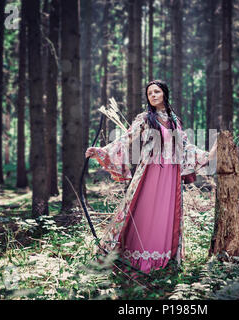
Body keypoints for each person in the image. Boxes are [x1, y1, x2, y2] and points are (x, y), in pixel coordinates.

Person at [85, 79, 217, 274]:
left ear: (164, 93)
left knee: (166, 213)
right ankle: (135, 257)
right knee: (145, 211)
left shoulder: (175, 120)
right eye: (149, 93)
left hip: (171, 175)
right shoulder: (145, 118)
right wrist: (102, 151)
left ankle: (163, 258)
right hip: (150, 172)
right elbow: (125, 138)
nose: (153, 95)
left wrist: (209, 155)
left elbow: (186, 147)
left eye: (156, 91)